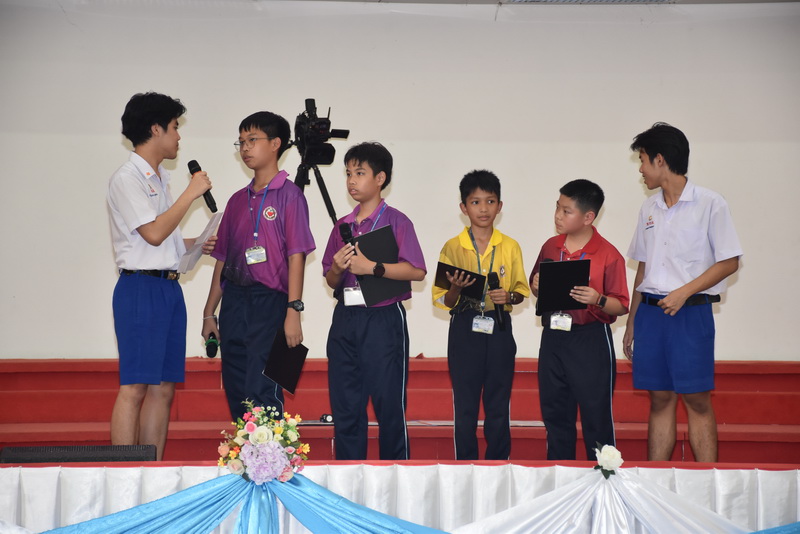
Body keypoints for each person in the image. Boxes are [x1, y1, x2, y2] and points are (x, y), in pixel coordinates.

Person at [623, 122, 742, 462]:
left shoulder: (710, 204)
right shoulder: (649, 209)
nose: (641, 170)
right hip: (650, 315)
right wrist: (632, 323)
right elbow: (643, 268)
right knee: (659, 398)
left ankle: (706, 483)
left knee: (697, 399)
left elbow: (729, 262)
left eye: (643, 160)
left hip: (690, 314)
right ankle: (655, 481)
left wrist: (682, 292)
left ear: (660, 160)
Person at [108, 92, 216, 460]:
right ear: (155, 129)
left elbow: (160, 238)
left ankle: (151, 471)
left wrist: (197, 242)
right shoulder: (128, 178)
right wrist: (191, 193)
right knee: (136, 386)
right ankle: (126, 474)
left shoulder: (160, 177)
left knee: (164, 387)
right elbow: (153, 233)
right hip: (140, 288)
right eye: (174, 127)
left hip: (168, 288)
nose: (178, 136)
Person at [202, 111, 315, 421]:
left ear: (276, 144)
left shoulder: (290, 196)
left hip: (272, 302)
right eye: (241, 142)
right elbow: (222, 258)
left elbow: (297, 256)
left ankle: (269, 452)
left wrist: (293, 310)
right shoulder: (237, 200)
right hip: (235, 302)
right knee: (237, 387)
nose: (245, 148)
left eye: (252, 140)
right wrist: (210, 312)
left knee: (263, 388)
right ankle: (245, 451)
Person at [322, 142, 426, 460]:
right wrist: (337, 268)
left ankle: (395, 477)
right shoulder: (342, 226)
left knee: (388, 405)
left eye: (360, 173)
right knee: (346, 405)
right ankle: (348, 478)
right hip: (346, 319)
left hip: (383, 319)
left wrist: (373, 268)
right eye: (348, 174)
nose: (352, 180)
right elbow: (331, 279)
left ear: (380, 179)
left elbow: (417, 270)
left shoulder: (396, 222)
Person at [432, 170, 530, 460]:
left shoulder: (510, 246)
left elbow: (521, 291)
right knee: (466, 403)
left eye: (490, 201)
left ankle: (498, 464)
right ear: (464, 208)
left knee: (498, 401)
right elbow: (444, 300)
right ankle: (465, 466)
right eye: (475, 202)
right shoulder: (452, 247)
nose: (483, 209)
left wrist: (508, 297)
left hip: (499, 325)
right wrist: (455, 288)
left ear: (500, 206)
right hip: (465, 326)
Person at [530, 179, 630, 461]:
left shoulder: (608, 254)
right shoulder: (551, 246)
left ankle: (603, 481)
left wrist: (598, 299)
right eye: (557, 208)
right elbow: (536, 284)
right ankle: (560, 478)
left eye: (566, 211)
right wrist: (536, 285)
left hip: (590, 339)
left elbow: (621, 305)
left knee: (596, 418)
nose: (557, 216)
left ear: (588, 217)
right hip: (554, 337)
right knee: (555, 415)